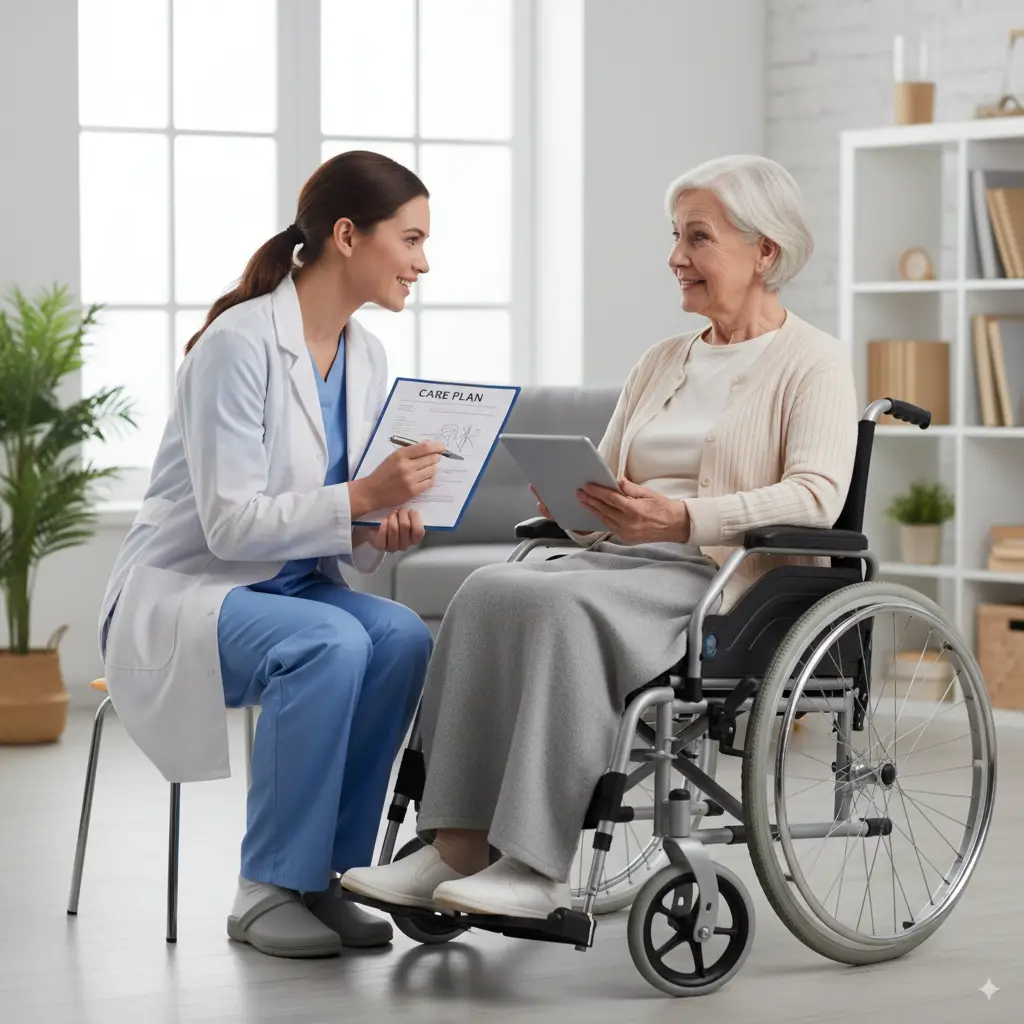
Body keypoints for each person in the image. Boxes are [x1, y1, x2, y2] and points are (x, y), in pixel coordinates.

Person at [341, 154, 859, 920]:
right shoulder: (661, 361)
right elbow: (610, 480)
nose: (676, 257)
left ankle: (535, 865)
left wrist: (681, 518)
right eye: (675, 237)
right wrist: (585, 501)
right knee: (486, 588)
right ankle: (451, 847)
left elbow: (817, 496)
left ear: (765, 252)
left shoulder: (813, 362)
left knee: (560, 610)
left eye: (698, 238)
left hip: (721, 579)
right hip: (619, 557)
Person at [98, 151, 447, 959]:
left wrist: (380, 524)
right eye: (413, 239)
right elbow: (229, 528)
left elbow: (330, 523)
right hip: (188, 592)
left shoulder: (366, 357)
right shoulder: (238, 343)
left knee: (399, 637)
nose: (424, 262)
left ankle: (331, 875)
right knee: (328, 643)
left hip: (290, 588)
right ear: (349, 236)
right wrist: (363, 497)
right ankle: (263, 889)